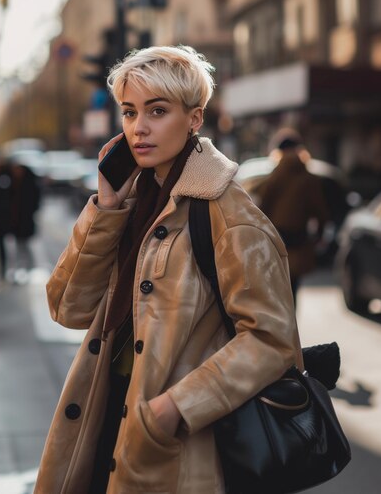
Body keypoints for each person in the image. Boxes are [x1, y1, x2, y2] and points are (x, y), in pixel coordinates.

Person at [34, 46, 304, 494]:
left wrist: (176, 407)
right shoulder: (130, 200)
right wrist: (105, 207)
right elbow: (68, 308)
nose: (139, 128)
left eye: (157, 111)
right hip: (106, 422)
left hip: (173, 446)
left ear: (194, 119)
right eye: (130, 112)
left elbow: (273, 340)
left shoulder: (228, 214)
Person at [257, 128, 329, 306]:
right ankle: (291, 327)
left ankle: (280, 329)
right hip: (299, 238)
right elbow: (320, 210)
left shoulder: (275, 176)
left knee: (276, 290)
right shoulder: (309, 178)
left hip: (276, 237)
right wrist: (319, 234)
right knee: (293, 288)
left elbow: (262, 207)